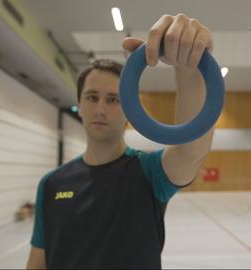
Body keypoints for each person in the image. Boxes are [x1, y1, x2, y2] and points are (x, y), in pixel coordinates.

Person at [26, 13, 214, 269]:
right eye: (92, 98)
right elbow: (38, 262)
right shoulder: (51, 184)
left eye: (113, 100)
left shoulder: (150, 173)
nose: (101, 109)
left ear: (130, 111)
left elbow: (190, 150)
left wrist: (189, 68)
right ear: (79, 106)